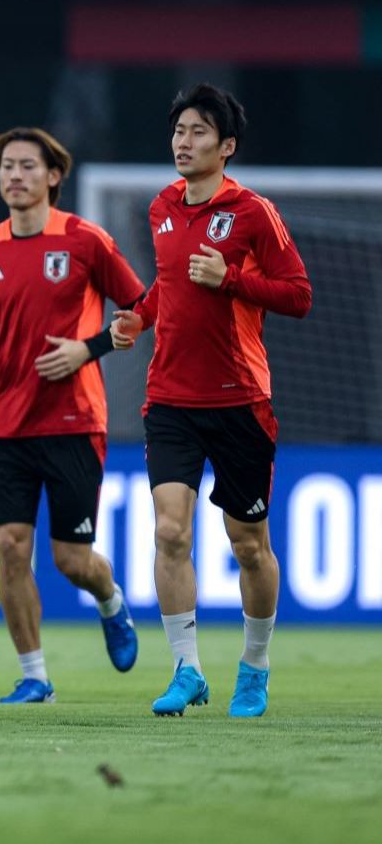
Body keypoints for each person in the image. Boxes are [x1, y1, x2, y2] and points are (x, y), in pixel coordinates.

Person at [110, 84, 310, 718]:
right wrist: (138, 318)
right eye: (177, 131)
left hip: (239, 400)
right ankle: (187, 669)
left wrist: (232, 280)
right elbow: (170, 287)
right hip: (169, 397)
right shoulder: (162, 206)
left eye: (197, 133)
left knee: (248, 543)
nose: (182, 143)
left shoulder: (253, 213)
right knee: (170, 530)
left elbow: (297, 294)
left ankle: (254, 667)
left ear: (225, 147)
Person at [0, 127, 143, 703]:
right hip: (7, 423)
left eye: (27, 167)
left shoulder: (86, 241)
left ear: (53, 177)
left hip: (73, 420)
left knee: (71, 560)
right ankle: (34, 675)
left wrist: (89, 349)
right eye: (6, 167)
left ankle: (111, 601)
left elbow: (140, 308)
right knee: (11, 546)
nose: (14, 176)